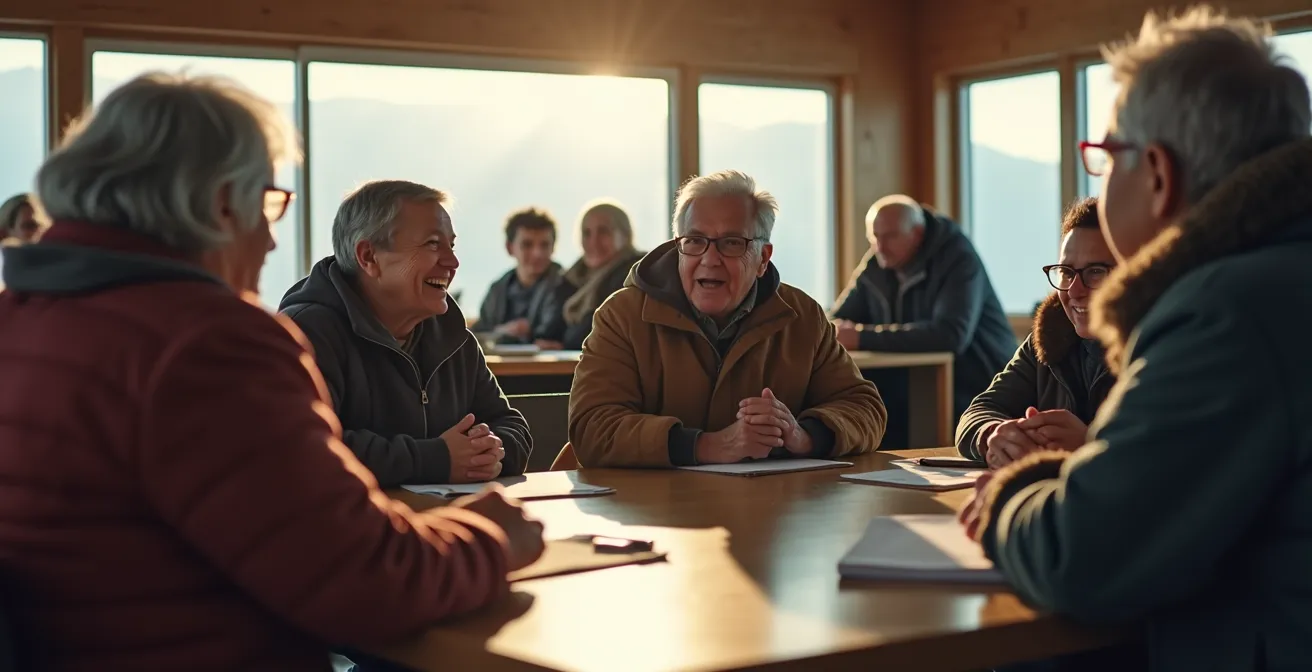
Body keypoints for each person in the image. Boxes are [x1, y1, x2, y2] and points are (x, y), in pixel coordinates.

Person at [0, 72, 544, 671]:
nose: (267, 238)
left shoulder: (20, 318)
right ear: (217, 202)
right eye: (266, 203)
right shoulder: (206, 344)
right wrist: (493, 540)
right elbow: (364, 583)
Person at [961, 8, 1312, 671]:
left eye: (1105, 158)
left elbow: (1083, 556)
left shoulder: (1225, 310)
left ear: (1156, 173)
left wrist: (1010, 492)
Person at [567, 170, 886, 468]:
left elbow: (865, 408)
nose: (709, 258)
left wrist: (801, 436)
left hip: (771, 513)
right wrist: (707, 446)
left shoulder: (802, 317)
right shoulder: (622, 315)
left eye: (732, 243)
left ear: (763, 258)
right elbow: (592, 427)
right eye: (694, 241)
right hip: (655, 517)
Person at [280, 180, 532, 488]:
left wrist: (489, 452)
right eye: (432, 244)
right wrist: (437, 459)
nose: (452, 263)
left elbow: (511, 426)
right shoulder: (304, 334)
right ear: (369, 257)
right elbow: (306, 451)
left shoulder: (454, 337)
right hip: (349, 531)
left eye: (451, 246)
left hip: (445, 522)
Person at [830, 195, 1015, 447]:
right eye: (874, 237)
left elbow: (950, 334)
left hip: (976, 387)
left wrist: (862, 337)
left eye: (889, 236)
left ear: (916, 233)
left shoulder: (957, 257)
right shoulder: (879, 260)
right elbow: (837, 320)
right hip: (908, 385)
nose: (879, 246)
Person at [955, 198, 1117, 469]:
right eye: (1066, 272)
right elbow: (979, 411)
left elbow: (1182, 457)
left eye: (1096, 272)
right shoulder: (1050, 337)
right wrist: (994, 435)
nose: (1074, 290)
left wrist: (1093, 446)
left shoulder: (1160, 347)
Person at [473, 207, 571, 349]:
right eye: (527, 245)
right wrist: (503, 332)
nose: (537, 253)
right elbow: (479, 333)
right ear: (510, 247)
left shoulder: (566, 286)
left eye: (544, 245)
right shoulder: (498, 290)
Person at [560, 199, 645, 350]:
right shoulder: (574, 276)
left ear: (625, 235)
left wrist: (562, 344)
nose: (594, 241)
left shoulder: (632, 274)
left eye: (603, 231)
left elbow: (590, 334)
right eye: (586, 233)